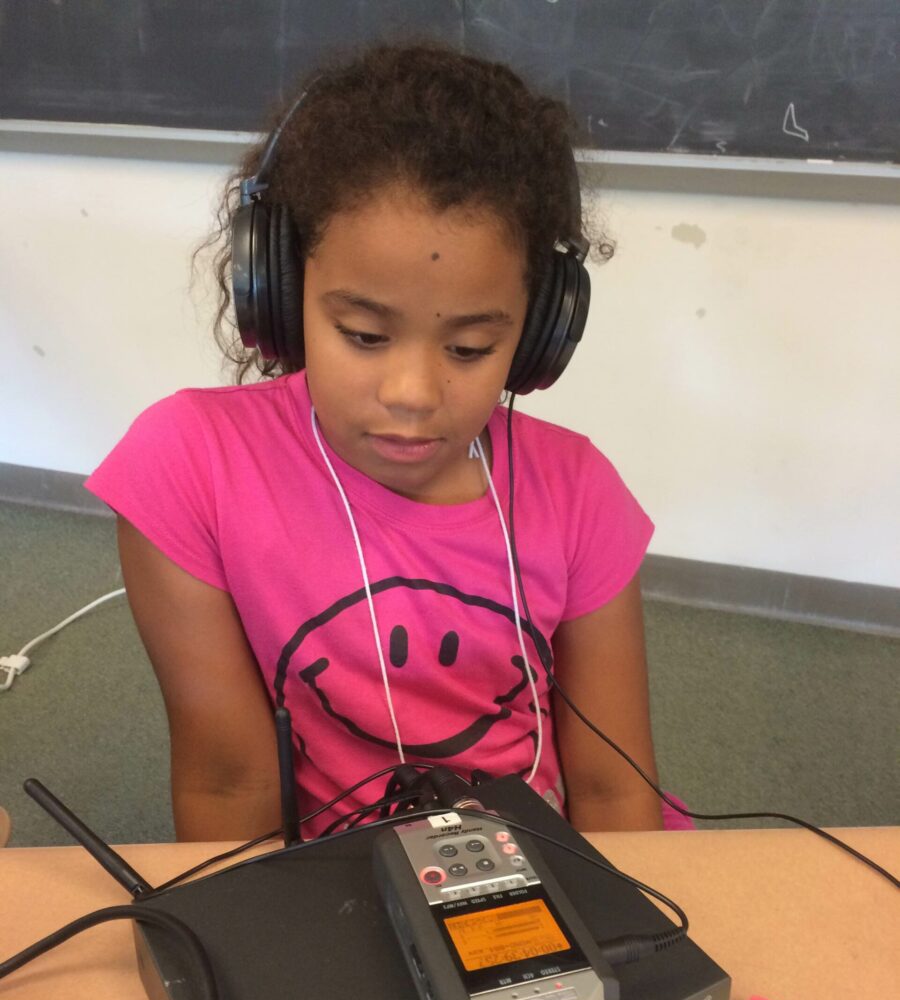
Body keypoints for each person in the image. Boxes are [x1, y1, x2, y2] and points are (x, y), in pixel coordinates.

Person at [86, 42, 685, 841]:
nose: (412, 394)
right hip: (337, 889)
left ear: (539, 336)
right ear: (281, 292)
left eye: (470, 350)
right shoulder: (189, 466)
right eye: (365, 334)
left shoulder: (578, 492)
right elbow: (229, 785)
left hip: (550, 867)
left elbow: (614, 794)